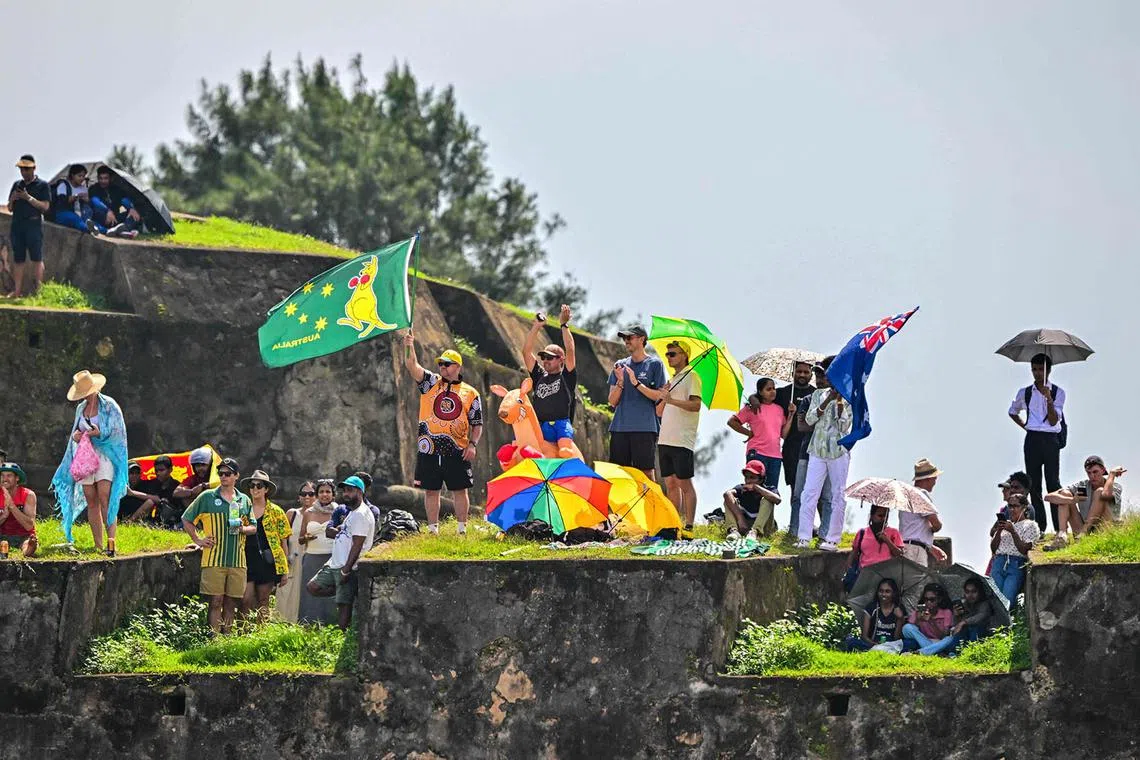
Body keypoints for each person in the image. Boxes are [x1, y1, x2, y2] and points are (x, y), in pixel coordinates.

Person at [403, 331, 483, 535]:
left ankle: (462, 529)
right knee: (431, 490)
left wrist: (472, 445)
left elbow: (477, 423)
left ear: (458, 366)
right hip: (429, 447)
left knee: (460, 489)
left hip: (458, 448)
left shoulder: (470, 392)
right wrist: (409, 345)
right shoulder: (431, 382)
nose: (443, 367)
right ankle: (432, 530)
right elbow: (413, 366)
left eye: (447, 364)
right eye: (441, 364)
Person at [50, 370, 129, 552]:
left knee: (105, 496)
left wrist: (99, 433)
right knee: (91, 499)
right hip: (85, 457)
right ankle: (98, 545)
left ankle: (111, 542)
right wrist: (78, 436)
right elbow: (74, 434)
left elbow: (118, 432)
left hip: (105, 455)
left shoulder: (109, 405)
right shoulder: (80, 408)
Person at [181, 457, 255, 634]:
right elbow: (186, 519)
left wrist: (242, 529)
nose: (223, 476)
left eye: (228, 473)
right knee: (215, 601)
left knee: (231, 602)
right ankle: (215, 639)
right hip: (214, 558)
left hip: (237, 560)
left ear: (236, 476)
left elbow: (254, 527)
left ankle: (227, 639)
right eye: (220, 473)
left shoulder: (244, 500)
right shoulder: (207, 496)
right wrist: (198, 540)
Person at [795, 356, 852, 551]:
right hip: (817, 450)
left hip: (838, 451)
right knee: (809, 492)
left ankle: (833, 539)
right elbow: (809, 420)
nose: (824, 377)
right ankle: (803, 536)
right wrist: (828, 399)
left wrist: (839, 403)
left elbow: (845, 425)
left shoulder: (850, 394)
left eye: (827, 372)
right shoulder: (818, 394)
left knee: (838, 495)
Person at [307, 476, 376, 630]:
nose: (345, 494)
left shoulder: (361, 514)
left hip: (346, 566)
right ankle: (345, 593)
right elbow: (337, 532)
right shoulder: (352, 512)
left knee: (343, 607)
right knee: (313, 587)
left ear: (360, 492)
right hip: (335, 563)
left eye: (350, 490)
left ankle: (341, 638)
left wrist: (346, 569)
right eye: (344, 490)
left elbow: (358, 545)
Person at [1008, 352, 1066, 533]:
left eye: (1041, 369)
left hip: (1050, 439)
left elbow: (1053, 420)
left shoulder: (1058, 392)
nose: (1037, 373)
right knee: (1033, 484)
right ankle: (1040, 527)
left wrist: (1048, 398)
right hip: (1032, 438)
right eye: (1034, 369)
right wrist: (1025, 426)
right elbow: (1012, 411)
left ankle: (1059, 527)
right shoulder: (1024, 392)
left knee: (1053, 483)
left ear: (1048, 370)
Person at [607, 324, 667, 478]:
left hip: (645, 428)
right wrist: (621, 381)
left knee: (646, 473)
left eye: (629, 337)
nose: (626, 341)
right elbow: (612, 401)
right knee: (618, 473)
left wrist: (636, 383)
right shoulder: (619, 365)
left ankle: (650, 503)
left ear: (642, 339)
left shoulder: (655, 364)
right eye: (624, 338)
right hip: (620, 428)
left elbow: (659, 396)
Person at [656, 339, 703, 531]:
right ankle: (673, 523)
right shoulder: (672, 380)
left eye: (673, 354)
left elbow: (696, 405)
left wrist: (672, 400)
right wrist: (664, 398)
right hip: (665, 437)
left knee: (684, 482)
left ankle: (689, 525)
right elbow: (659, 412)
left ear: (684, 355)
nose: (669, 357)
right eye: (668, 354)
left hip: (682, 439)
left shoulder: (692, 377)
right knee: (670, 482)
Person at [522, 305, 578, 458]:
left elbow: (571, 350)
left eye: (549, 358)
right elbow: (526, 352)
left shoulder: (567, 377)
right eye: (543, 358)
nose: (545, 361)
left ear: (561, 360)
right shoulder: (540, 376)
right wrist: (536, 326)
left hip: (560, 429)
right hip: (540, 428)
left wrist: (564, 325)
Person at [240, 470, 291, 623]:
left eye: (259, 485)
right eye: (252, 485)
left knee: (263, 600)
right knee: (245, 599)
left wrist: (284, 570)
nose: (255, 489)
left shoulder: (277, 512)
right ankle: (243, 633)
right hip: (246, 558)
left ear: (266, 489)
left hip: (267, 561)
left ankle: (261, 633)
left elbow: (283, 542)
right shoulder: (242, 509)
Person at [1044, 455, 1125, 550]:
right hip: (1082, 534)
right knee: (1065, 494)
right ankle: (1062, 536)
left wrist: (1111, 474)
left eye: (1095, 472)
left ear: (1103, 471)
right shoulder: (1083, 486)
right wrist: (1072, 500)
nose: (1092, 476)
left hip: (1105, 532)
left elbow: (1105, 495)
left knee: (1099, 491)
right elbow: (1047, 497)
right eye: (1089, 473)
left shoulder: (1115, 486)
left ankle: (1084, 531)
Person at [789, 364, 832, 540]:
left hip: (830, 455)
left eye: (824, 376)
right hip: (807, 453)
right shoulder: (808, 400)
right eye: (818, 376)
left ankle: (825, 532)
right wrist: (821, 413)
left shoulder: (839, 400)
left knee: (827, 497)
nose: (820, 380)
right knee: (799, 494)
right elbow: (802, 426)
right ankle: (795, 530)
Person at [728, 377, 794, 490]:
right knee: (753, 489)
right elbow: (732, 422)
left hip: (775, 456)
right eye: (768, 389)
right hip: (757, 453)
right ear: (760, 391)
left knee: (771, 491)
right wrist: (748, 433)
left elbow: (783, 434)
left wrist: (791, 415)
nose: (773, 391)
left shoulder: (779, 409)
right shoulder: (752, 408)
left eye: (774, 388)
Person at [6, 155, 50, 298]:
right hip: (17, 224)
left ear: (33, 168)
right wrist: (12, 199)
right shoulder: (17, 184)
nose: (23, 172)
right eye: (21, 169)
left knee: (37, 258)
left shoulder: (42, 185)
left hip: (33, 224)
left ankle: (39, 292)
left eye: (26, 169)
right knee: (18, 259)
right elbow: (10, 208)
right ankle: (17, 291)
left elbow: (45, 207)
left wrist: (28, 198)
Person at [774, 360, 816, 504]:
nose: (802, 375)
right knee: (796, 489)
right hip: (791, 448)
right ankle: (796, 524)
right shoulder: (783, 392)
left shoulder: (816, 394)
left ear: (811, 374)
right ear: (793, 373)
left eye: (806, 372)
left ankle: (817, 525)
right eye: (799, 371)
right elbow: (759, 397)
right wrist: (754, 400)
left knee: (815, 489)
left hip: (812, 447)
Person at [988, 494, 1040, 609]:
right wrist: (999, 530)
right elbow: (994, 548)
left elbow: (1024, 549)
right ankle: (997, 625)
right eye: (1009, 506)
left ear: (1024, 507)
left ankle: (1008, 625)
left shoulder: (1030, 525)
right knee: (994, 600)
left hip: (1015, 563)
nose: (1011, 510)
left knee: (1008, 599)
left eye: (1015, 506)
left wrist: (1013, 532)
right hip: (999, 563)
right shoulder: (1005, 524)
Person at [298, 478, 338, 623]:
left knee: (329, 594)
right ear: (317, 494)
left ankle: (331, 625)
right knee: (309, 594)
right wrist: (306, 537)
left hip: (331, 558)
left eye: (328, 492)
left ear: (333, 495)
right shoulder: (308, 513)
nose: (324, 494)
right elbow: (300, 539)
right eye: (321, 491)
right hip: (311, 558)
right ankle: (309, 625)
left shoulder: (339, 511)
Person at [277, 481, 317, 622]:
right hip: (292, 558)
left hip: (311, 560)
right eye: (303, 494)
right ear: (299, 497)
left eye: (311, 494)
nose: (307, 497)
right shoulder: (292, 514)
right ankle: (281, 625)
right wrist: (284, 558)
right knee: (286, 593)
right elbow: (282, 538)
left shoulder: (321, 516)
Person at [903, 458, 948, 567]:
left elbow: (913, 530)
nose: (934, 482)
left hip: (905, 548)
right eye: (934, 479)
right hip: (916, 551)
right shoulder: (921, 494)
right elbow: (936, 524)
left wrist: (929, 546)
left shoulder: (906, 496)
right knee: (918, 583)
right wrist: (933, 529)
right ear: (927, 479)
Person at [722, 460, 781, 540]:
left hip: (765, 528)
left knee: (767, 500)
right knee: (728, 500)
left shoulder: (769, 489)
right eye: (746, 477)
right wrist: (740, 519)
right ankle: (734, 531)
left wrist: (756, 487)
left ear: (761, 479)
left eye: (752, 477)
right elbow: (727, 494)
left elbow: (777, 500)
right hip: (745, 526)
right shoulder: (742, 488)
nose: (748, 480)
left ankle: (755, 532)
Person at [842, 578, 906, 652]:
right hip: (873, 644)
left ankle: (883, 650)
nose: (883, 594)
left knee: (911, 643)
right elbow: (864, 636)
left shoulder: (899, 609)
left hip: (892, 645)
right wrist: (875, 644)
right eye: (881, 591)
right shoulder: (871, 607)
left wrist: (900, 619)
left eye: (887, 591)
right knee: (851, 641)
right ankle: (879, 650)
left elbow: (897, 638)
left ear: (893, 593)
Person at [902, 583, 956, 656]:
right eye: (926, 599)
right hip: (923, 641)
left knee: (950, 639)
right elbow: (909, 632)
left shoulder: (946, 612)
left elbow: (943, 635)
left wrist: (931, 620)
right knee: (907, 627)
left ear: (939, 600)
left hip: (939, 642)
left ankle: (919, 653)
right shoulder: (919, 612)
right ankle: (936, 652)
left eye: (932, 600)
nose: (928, 602)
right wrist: (918, 620)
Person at [50, 164, 104, 234]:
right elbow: (62, 201)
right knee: (75, 219)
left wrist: (87, 199)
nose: (82, 178)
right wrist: (76, 196)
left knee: (90, 220)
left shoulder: (83, 188)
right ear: (72, 175)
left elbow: (89, 204)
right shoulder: (64, 185)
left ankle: (106, 230)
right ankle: (88, 229)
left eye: (83, 176)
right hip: (62, 213)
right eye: (79, 176)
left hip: (80, 213)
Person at [89, 166, 141, 238]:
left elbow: (124, 199)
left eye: (105, 178)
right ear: (97, 178)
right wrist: (107, 211)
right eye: (100, 178)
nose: (103, 181)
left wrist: (131, 208)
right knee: (95, 216)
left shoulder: (116, 189)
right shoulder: (93, 188)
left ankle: (123, 230)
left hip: (116, 218)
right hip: (102, 217)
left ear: (110, 178)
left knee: (133, 214)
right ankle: (111, 231)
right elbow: (95, 201)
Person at [847, 505, 904, 571]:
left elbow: (900, 555)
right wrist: (849, 569)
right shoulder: (862, 533)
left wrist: (887, 541)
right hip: (865, 573)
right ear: (872, 516)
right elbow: (854, 552)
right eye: (880, 516)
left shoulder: (893, 532)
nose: (883, 519)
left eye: (885, 516)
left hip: (886, 574)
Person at [0, 462, 38, 558]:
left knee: (27, 543)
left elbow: (29, 526)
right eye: (2, 475)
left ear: (17, 478)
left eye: (9, 476)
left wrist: (12, 506)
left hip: (23, 535)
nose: (5, 479)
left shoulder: (28, 495)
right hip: (2, 535)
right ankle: (4, 549)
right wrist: (4, 516)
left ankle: (29, 549)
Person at [138, 455, 182, 528]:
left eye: (161, 470)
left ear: (170, 469)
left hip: (172, 523)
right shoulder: (151, 484)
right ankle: (129, 522)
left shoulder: (177, 487)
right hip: (152, 521)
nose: (158, 473)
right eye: (156, 471)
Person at [951, 578, 999, 644]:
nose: (970, 595)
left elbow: (981, 616)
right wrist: (956, 616)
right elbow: (956, 627)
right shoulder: (963, 604)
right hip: (965, 636)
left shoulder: (985, 604)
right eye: (967, 592)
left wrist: (964, 622)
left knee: (975, 628)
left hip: (984, 635)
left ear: (980, 592)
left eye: (974, 591)